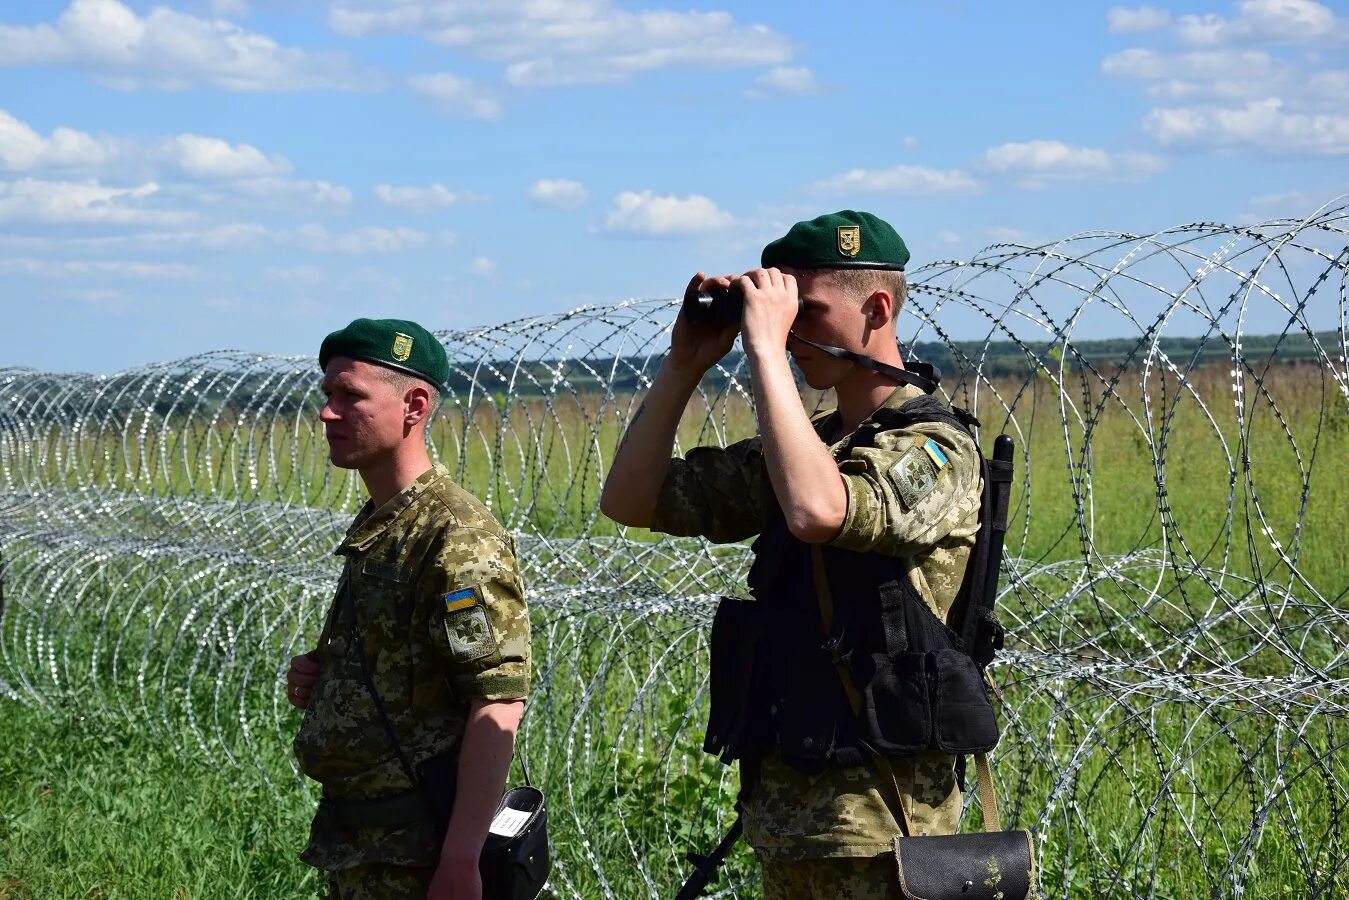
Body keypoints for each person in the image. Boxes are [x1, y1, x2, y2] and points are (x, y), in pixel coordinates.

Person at [601, 212, 986, 899]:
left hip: (890, 832)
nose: (789, 330)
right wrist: (684, 364)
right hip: (791, 817)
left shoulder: (936, 446)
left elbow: (819, 510)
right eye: (782, 315)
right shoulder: (807, 448)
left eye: (805, 312)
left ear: (875, 309)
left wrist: (765, 355)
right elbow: (632, 500)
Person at [286, 317, 531, 900]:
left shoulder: (454, 537)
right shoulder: (386, 521)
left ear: (414, 405)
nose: (327, 413)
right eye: (327, 395)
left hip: (416, 856)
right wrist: (327, 682)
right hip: (365, 845)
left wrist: (460, 860)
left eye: (350, 396)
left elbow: (495, 701)